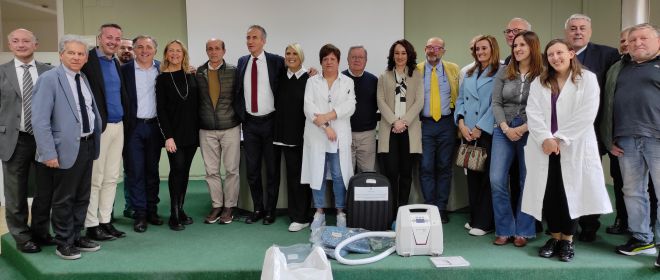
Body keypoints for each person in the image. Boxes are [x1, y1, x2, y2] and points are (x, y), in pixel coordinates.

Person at [522, 38, 612, 262]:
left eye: (560, 52)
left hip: (574, 146)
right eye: (551, 54)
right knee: (550, 194)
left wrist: (560, 138)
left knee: (570, 194)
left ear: (571, 53)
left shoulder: (587, 79)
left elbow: (587, 114)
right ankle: (554, 237)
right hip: (544, 147)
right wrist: (545, 138)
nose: (556, 58)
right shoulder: (539, 82)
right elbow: (532, 113)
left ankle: (567, 241)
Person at [32, 34, 103, 260]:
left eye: (80, 53)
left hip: (87, 145)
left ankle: (76, 235)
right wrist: (48, 152)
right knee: (64, 198)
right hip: (62, 150)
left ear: (86, 58)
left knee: (82, 196)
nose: (76, 57)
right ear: (61, 54)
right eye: (71, 52)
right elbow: (40, 119)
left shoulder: (83, 78)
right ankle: (63, 241)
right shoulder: (49, 79)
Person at [603, 24, 659, 266]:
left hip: (656, 138)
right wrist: (610, 137)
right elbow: (608, 103)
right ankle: (642, 238)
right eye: (633, 39)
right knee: (633, 191)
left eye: (643, 38)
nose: (637, 43)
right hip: (625, 139)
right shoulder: (619, 67)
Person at [564, 13, 620, 242]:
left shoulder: (608, 55)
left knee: (589, 177)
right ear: (566, 33)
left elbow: (614, 93)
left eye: (582, 28)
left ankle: (589, 226)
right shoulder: (558, 54)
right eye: (573, 28)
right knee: (565, 177)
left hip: (593, 130)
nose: (578, 32)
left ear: (590, 31)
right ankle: (566, 224)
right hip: (563, 131)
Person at [0, 28, 54, 253]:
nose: (21, 44)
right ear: (9, 44)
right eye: (15, 41)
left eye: (26, 41)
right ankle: (22, 237)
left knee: (45, 189)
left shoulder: (49, 72)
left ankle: (41, 232)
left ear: (36, 44)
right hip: (14, 139)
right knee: (16, 191)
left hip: (43, 139)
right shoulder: (1, 72)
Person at [490, 31, 542, 247]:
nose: (518, 49)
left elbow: (546, 107)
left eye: (523, 45)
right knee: (496, 179)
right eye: (515, 45)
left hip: (531, 131)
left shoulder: (543, 74)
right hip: (503, 130)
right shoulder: (504, 71)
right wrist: (505, 127)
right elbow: (496, 103)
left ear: (533, 47)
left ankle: (523, 230)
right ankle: (504, 229)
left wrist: (524, 128)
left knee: (526, 181)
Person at [81, 23, 130, 241]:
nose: (113, 41)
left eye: (117, 38)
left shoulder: (115, 62)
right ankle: (91, 225)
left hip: (118, 126)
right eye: (109, 37)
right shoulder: (88, 61)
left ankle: (105, 221)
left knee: (112, 177)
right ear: (99, 38)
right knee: (95, 178)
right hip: (99, 128)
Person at [233, 25, 284, 225]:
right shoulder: (242, 61)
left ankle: (270, 211)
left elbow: (292, 76)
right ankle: (258, 208)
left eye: (254, 37)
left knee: (272, 170)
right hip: (250, 124)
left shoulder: (276, 61)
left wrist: (311, 71)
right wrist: (241, 115)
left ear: (263, 41)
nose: (250, 41)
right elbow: (238, 90)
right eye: (247, 37)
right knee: (252, 171)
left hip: (271, 123)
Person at [301, 44, 355, 231]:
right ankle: (319, 212)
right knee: (318, 174)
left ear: (338, 61)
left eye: (332, 59)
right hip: (317, 135)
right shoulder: (312, 82)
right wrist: (325, 126)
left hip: (339, 135)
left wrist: (328, 116)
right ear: (321, 62)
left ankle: (341, 212)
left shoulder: (347, 82)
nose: (329, 62)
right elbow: (308, 108)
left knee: (339, 175)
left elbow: (350, 106)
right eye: (325, 59)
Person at [454, 35, 500, 236]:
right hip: (468, 131)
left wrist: (480, 127)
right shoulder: (470, 72)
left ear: (493, 49)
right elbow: (460, 99)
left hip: (487, 132)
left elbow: (496, 104)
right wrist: (462, 124)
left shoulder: (501, 72)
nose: (480, 52)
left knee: (487, 179)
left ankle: (485, 222)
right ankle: (474, 218)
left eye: (484, 48)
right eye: (477, 49)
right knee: (472, 176)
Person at [120, 35, 163, 233]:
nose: (144, 50)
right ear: (134, 50)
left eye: (148, 47)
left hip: (155, 127)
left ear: (155, 50)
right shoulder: (124, 70)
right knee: (135, 171)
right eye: (140, 47)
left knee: (152, 171)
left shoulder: (162, 69)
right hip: (133, 128)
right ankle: (140, 214)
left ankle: (152, 210)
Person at [196, 38, 240, 225]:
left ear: (224, 51)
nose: (213, 52)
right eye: (210, 49)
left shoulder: (233, 71)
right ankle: (216, 205)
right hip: (206, 129)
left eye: (217, 49)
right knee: (211, 171)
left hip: (229, 126)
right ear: (206, 51)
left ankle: (229, 206)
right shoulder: (198, 72)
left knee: (231, 170)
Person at [377, 39, 423, 216]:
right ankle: (390, 211)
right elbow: (380, 101)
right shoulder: (384, 76)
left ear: (409, 55)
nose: (400, 56)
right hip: (390, 130)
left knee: (406, 172)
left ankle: (402, 211)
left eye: (403, 53)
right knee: (391, 172)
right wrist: (394, 122)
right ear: (392, 55)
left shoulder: (417, 75)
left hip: (409, 130)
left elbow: (419, 101)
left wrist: (403, 122)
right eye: (397, 53)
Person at [156, 40, 199, 231]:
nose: (175, 54)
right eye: (171, 51)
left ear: (183, 54)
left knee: (185, 172)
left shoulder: (191, 74)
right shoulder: (162, 79)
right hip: (174, 134)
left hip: (191, 132)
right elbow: (161, 110)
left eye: (178, 51)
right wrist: (168, 136)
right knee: (177, 170)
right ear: (166, 55)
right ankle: (173, 214)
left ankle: (181, 209)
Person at [416, 37, 459, 223]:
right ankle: (429, 206)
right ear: (425, 49)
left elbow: (460, 94)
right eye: (430, 47)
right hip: (424, 124)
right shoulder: (416, 70)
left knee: (444, 166)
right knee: (425, 166)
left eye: (438, 48)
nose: (434, 51)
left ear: (443, 51)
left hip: (447, 123)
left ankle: (441, 208)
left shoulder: (453, 69)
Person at [273, 43, 312, 232]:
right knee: (292, 175)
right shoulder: (281, 76)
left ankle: (302, 216)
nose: (290, 56)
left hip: (304, 136)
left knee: (302, 177)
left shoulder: (310, 78)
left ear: (301, 56)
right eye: (287, 53)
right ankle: (296, 214)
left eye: (294, 53)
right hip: (285, 136)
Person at [343, 46, 378, 173]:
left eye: (360, 57)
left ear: (366, 60)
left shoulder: (374, 80)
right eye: (354, 57)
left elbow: (378, 105)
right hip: (344, 133)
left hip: (367, 135)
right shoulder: (340, 79)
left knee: (367, 173)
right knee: (345, 175)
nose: (357, 60)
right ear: (347, 59)